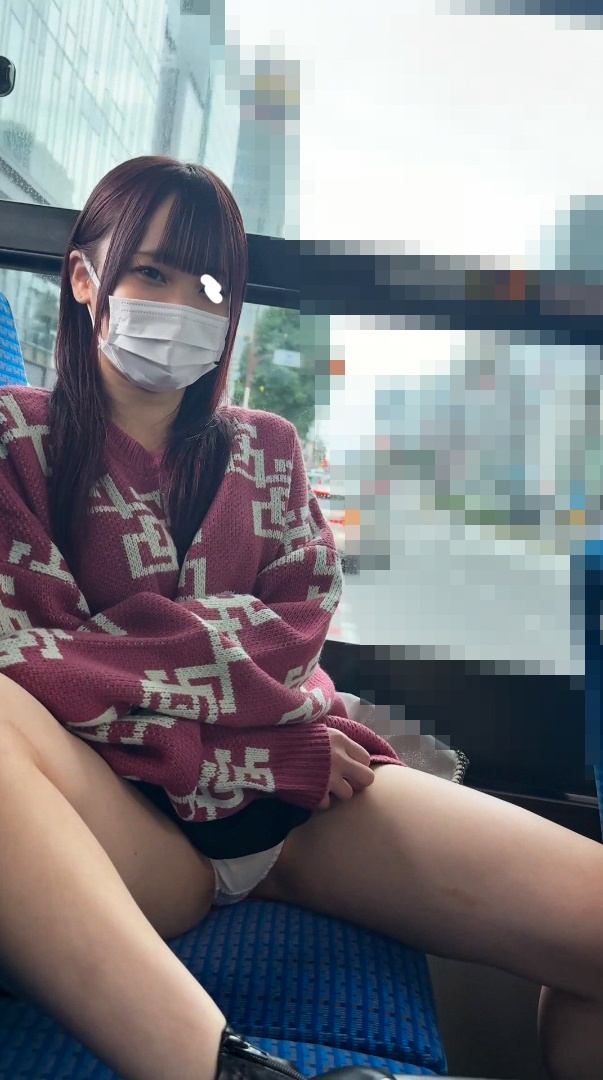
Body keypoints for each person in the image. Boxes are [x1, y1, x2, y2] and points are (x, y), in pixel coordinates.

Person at [0, 155, 602, 1080]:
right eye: (151, 272)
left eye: (211, 287)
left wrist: (134, 670)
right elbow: (30, 663)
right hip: (139, 824)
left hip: (302, 808)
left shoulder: (268, 451)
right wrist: (253, 744)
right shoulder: (14, 440)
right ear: (84, 278)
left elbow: (291, 638)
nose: (184, 307)